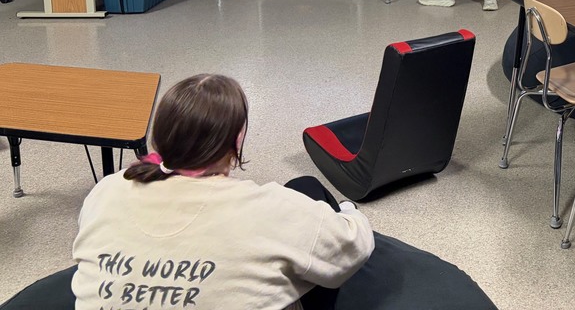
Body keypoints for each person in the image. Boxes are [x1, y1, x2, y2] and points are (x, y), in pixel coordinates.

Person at [71, 74, 374, 310]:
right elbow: (353, 248)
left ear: (159, 136)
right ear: (236, 141)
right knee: (307, 188)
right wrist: (349, 211)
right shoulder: (267, 209)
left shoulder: (108, 189)